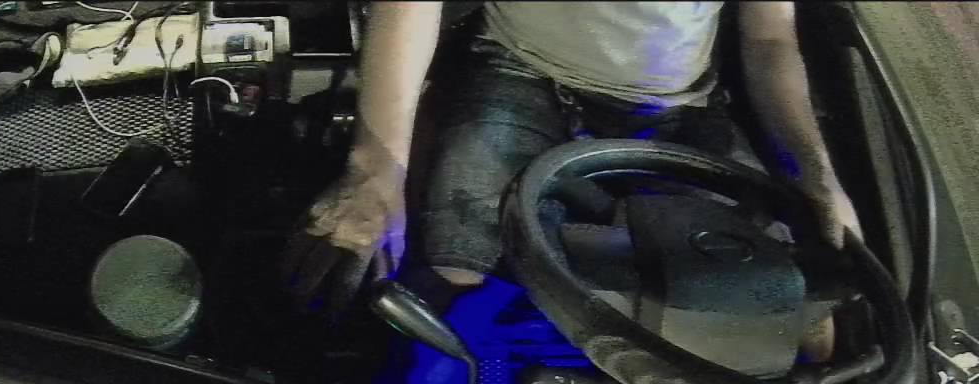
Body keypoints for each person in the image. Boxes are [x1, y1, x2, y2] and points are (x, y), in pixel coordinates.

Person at [280, 1, 860, 361]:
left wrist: (816, 172)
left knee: (795, 319)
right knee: (458, 288)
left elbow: (769, 38)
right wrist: (375, 170)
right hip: (521, 71)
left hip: (681, 106)